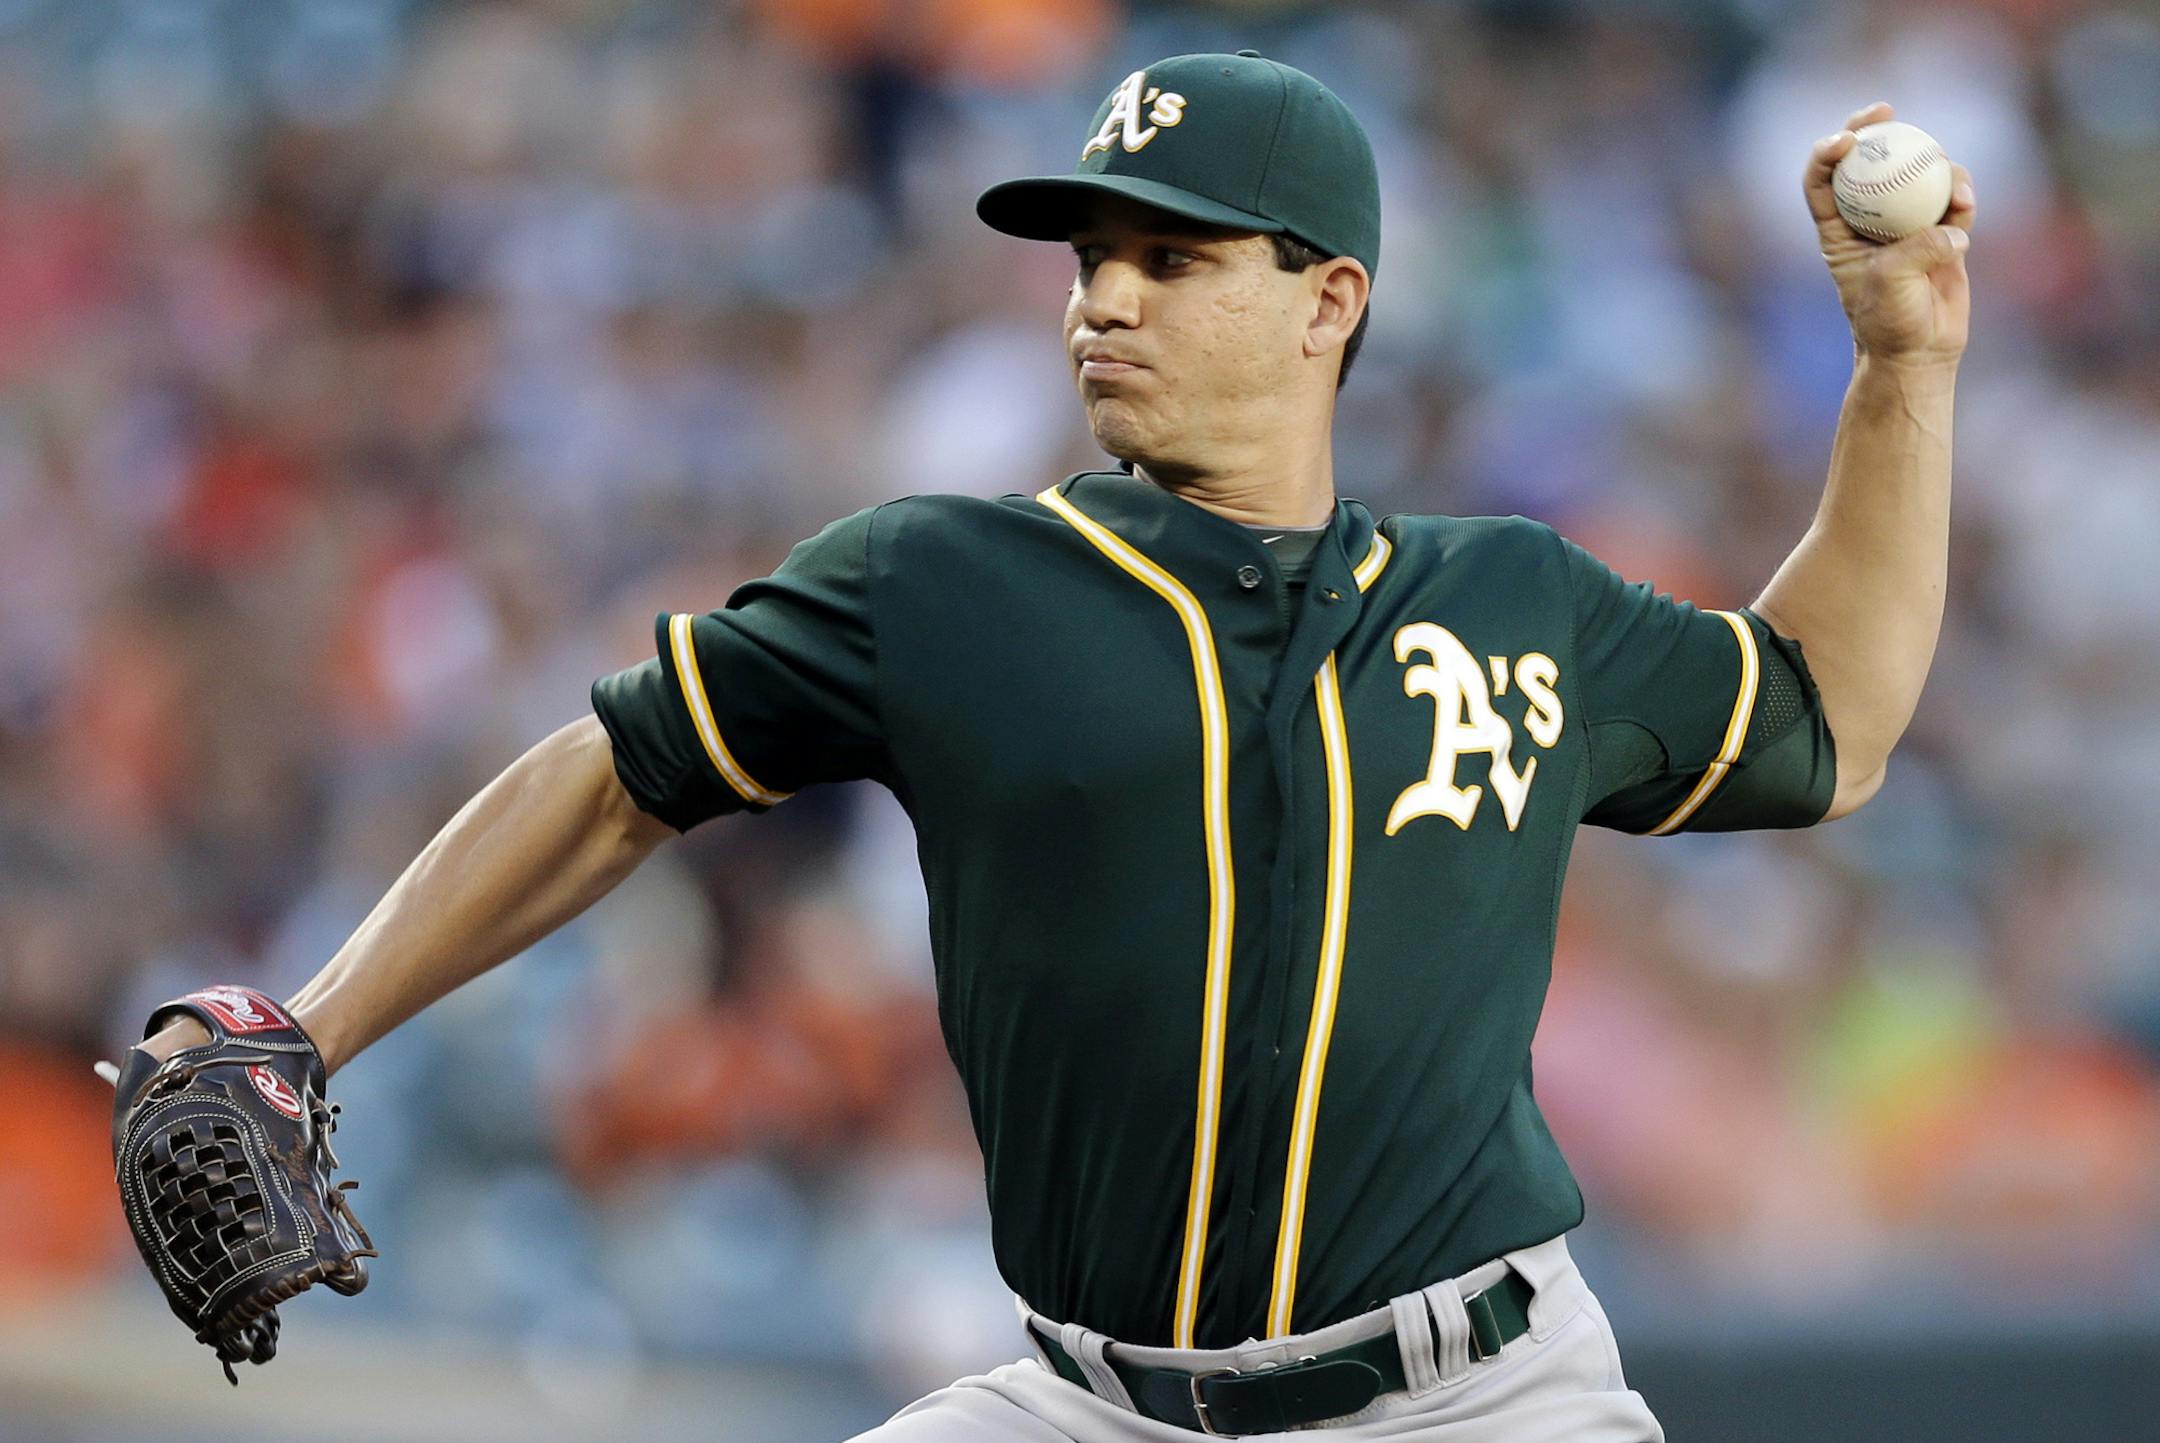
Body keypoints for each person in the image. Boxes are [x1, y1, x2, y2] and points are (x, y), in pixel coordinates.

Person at [121, 51, 1975, 1442]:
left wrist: (1900, 374)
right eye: (1092, 251)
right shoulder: (942, 580)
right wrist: (307, 1023)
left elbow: (1829, 716)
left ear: (1330, 299)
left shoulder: (1514, 599)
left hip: (1478, 1402)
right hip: (1087, 1404)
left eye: (1172, 257)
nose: (1105, 295)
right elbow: (615, 772)